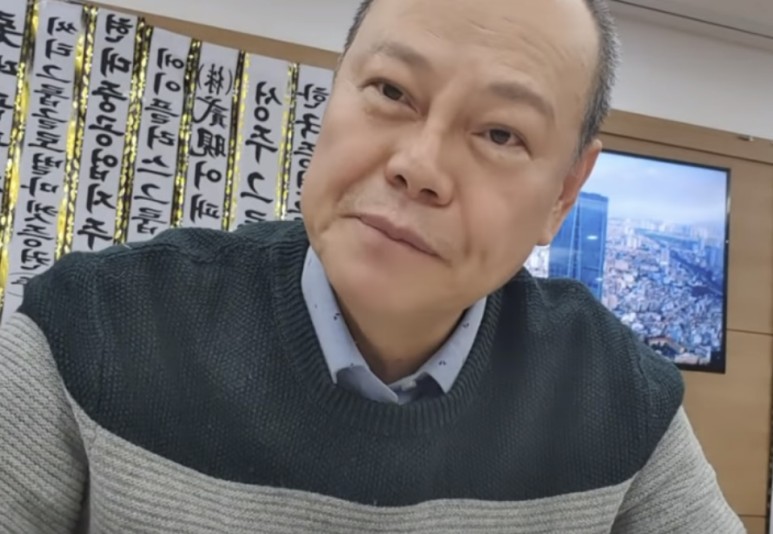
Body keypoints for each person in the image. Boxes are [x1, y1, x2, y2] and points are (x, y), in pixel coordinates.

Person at [0, 0, 744, 532]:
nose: (419, 166)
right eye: (390, 91)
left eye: (499, 133)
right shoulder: (86, 331)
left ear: (563, 195)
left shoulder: (617, 396)